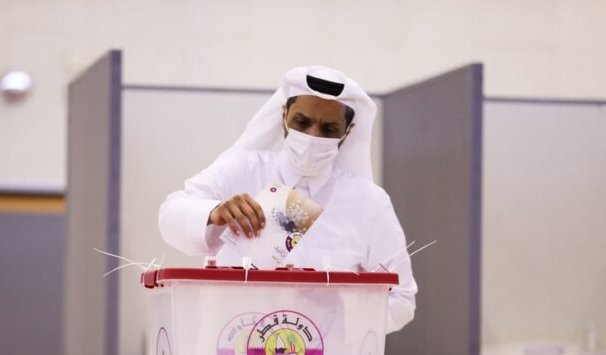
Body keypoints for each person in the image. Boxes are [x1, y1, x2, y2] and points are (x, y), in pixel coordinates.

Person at [159, 65, 417, 333]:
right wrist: (214, 213)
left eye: (329, 128)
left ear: (347, 131)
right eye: (302, 123)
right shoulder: (241, 170)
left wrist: (341, 313)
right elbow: (169, 215)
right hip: (232, 351)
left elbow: (402, 300)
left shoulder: (368, 202)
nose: (312, 137)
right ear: (284, 115)